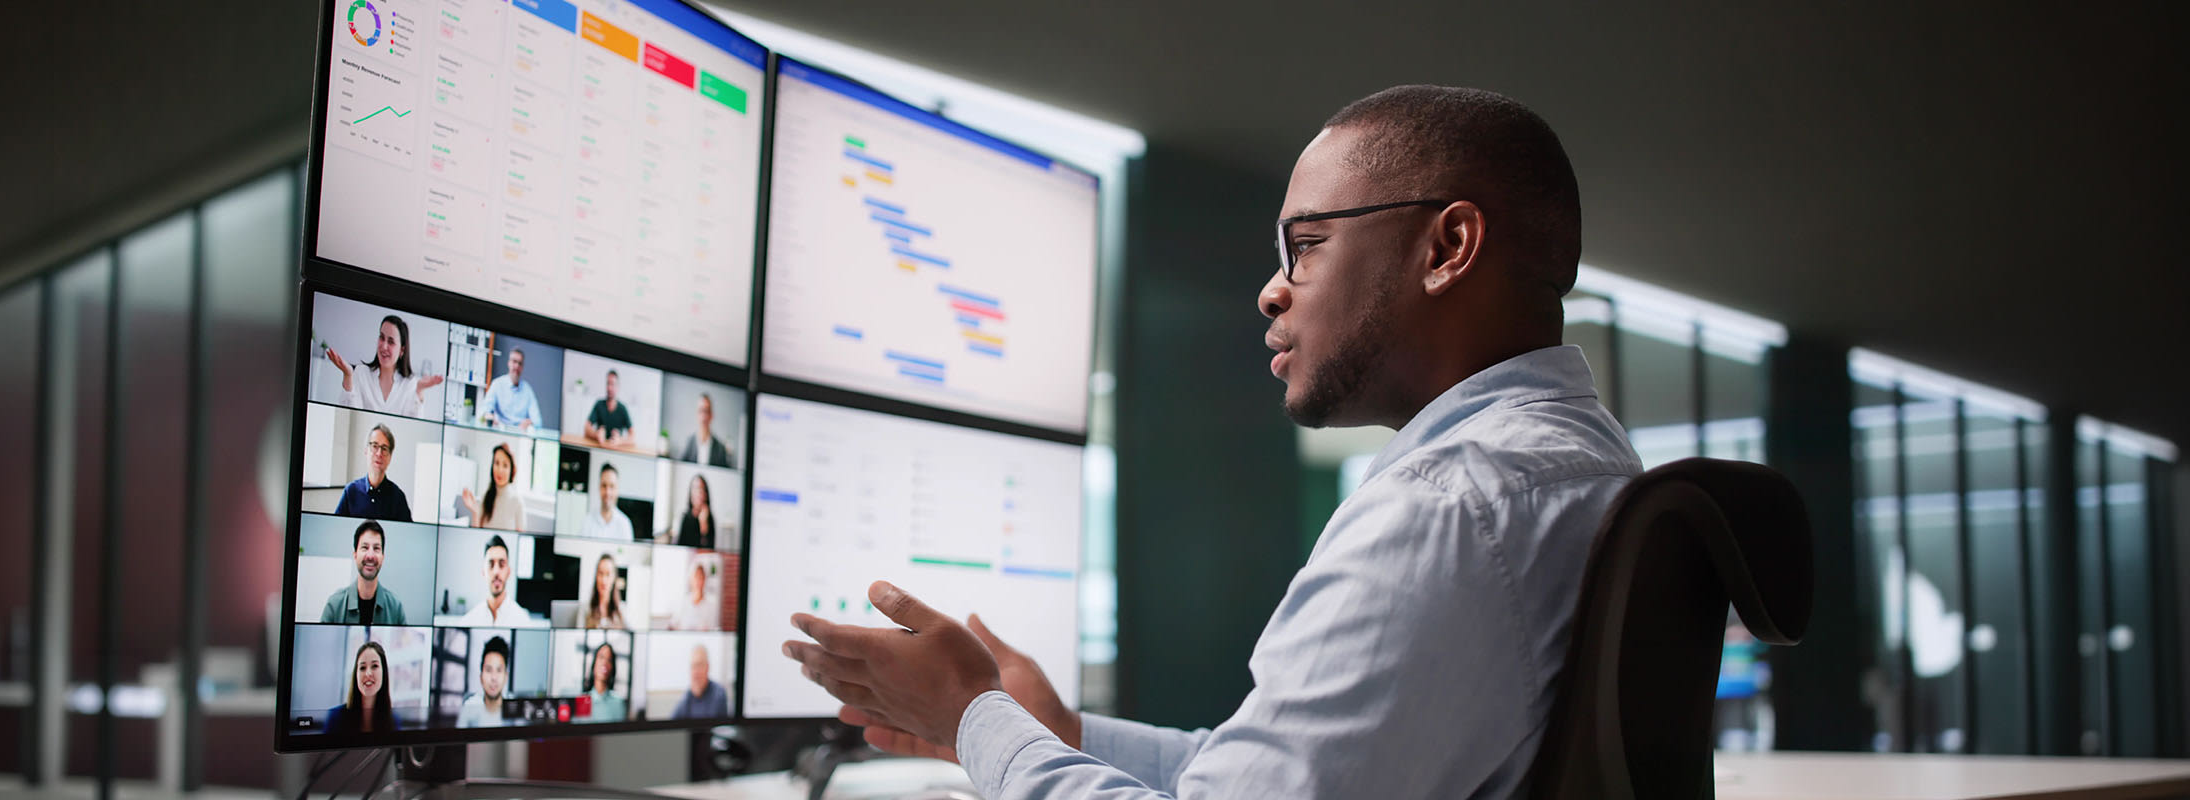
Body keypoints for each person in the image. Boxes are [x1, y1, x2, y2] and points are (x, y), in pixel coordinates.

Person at [780, 86, 1643, 800]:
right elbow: (1278, 775)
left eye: (1305, 246)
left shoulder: (1451, 508)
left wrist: (972, 716)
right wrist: (1062, 733)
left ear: (1447, 246)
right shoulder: (1581, 470)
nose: (1272, 292)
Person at [327, 314, 444, 417]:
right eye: (381, 338)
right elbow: (347, 417)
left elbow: (413, 427)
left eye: (391, 341)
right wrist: (348, 376)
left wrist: (419, 390)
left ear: (402, 350)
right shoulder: (360, 373)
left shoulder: (410, 384)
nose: (383, 346)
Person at [320, 520, 407, 624]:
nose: (370, 556)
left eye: (376, 548)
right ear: (355, 555)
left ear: (383, 557)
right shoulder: (334, 605)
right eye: (365, 547)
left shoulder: (396, 608)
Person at [457, 535, 545, 627]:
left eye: (501, 564)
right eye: (491, 564)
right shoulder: (468, 621)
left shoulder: (523, 621)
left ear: (509, 571)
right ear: (483, 571)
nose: (496, 572)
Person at [333, 423, 413, 521]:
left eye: (384, 449)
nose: (379, 453)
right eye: (375, 446)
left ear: (390, 457)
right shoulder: (351, 491)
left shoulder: (398, 497)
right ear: (366, 451)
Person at [321, 641, 396, 735]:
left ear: (384, 673)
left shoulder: (394, 720)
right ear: (356, 675)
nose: (368, 673)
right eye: (362, 668)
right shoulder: (335, 716)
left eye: (374, 666)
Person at [459, 442, 524, 531]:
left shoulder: (517, 502)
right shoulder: (486, 497)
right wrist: (475, 511)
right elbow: (477, 534)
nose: (500, 470)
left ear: (511, 470)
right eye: (496, 463)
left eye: (505, 465)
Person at [482, 347, 542, 432]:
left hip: (520, 434)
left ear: (522, 367)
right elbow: (485, 410)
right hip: (499, 431)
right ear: (509, 363)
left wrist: (530, 421)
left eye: (520, 363)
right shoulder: (497, 384)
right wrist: (489, 415)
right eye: (514, 361)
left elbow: (538, 421)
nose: (517, 366)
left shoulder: (528, 390)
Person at [457, 635, 511, 728]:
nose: (494, 677)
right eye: (489, 670)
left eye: (499, 670)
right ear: (481, 676)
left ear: (506, 677)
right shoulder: (470, 706)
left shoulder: (513, 709)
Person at [668, 643, 730, 720]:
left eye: (699, 665)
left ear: (707, 667)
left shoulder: (719, 693)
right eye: (693, 667)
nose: (696, 672)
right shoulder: (688, 695)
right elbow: (672, 721)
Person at [572, 641, 627, 723]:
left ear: (612, 668)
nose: (605, 663)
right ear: (594, 663)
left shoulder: (618, 702)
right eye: (601, 657)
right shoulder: (582, 701)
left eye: (609, 660)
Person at [675, 393, 734, 468]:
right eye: (701, 410)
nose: (704, 416)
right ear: (697, 414)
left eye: (706, 411)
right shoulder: (689, 442)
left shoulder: (720, 448)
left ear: (711, 415)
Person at [579, 463, 636, 540]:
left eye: (612, 486)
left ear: (617, 490)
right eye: (604, 485)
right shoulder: (587, 521)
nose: (607, 492)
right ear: (599, 488)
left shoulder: (625, 524)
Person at [584, 370, 636, 450]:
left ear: (618, 387)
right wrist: (596, 434)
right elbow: (586, 428)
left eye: (613, 384)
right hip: (599, 449)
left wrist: (620, 440)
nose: (609, 388)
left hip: (616, 452)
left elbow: (633, 437)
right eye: (608, 383)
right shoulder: (599, 404)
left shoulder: (623, 409)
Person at [669, 555, 720, 631]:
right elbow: (672, 626)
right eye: (696, 577)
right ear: (691, 579)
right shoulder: (682, 602)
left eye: (701, 577)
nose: (699, 581)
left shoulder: (711, 604)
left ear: (705, 579)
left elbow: (712, 629)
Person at [581, 553, 628, 629]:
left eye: (608, 574)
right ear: (596, 576)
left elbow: (633, 635)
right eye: (600, 573)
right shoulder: (585, 609)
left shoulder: (621, 609)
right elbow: (577, 638)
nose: (604, 580)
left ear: (614, 578)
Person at [672, 474, 715, 548]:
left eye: (702, 488)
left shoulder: (709, 518)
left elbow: (709, 547)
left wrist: (703, 523)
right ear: (690, 493)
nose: (699, 493)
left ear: (706, 494)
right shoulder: (684, 517)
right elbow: (678, 545)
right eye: (695, 488)